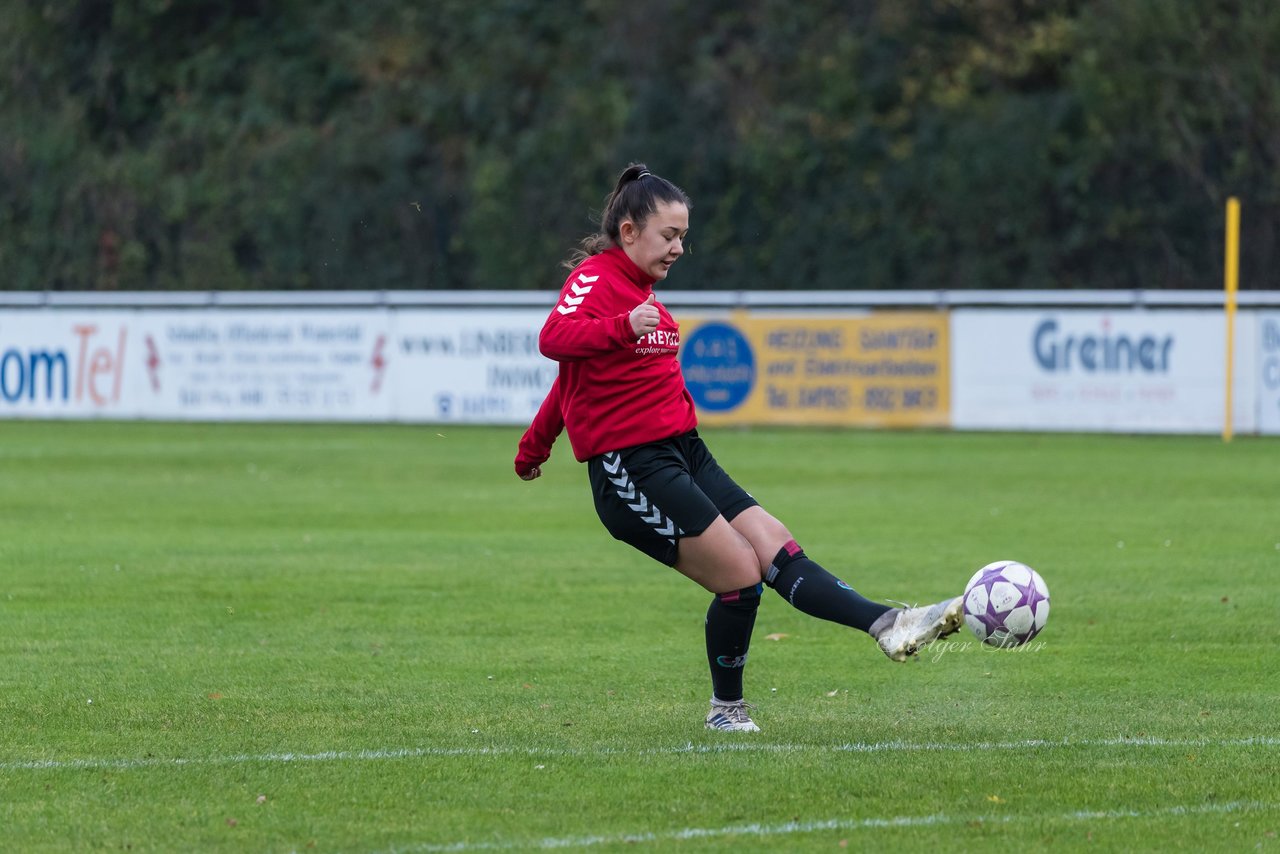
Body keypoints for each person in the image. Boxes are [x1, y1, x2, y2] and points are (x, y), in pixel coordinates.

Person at [514, 162, 962, 733]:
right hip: (632, 467)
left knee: (773, 544)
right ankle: (726, 712)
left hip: (685, 452)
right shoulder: (599, 280)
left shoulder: (641, 294)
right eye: (668, 235)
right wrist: (620, 330)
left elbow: (575, 382)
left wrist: (535, 447)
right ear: (629, 231)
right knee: (740, 574)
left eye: (682, 236)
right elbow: (554, 341)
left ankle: (889, 622)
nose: (679, 247)